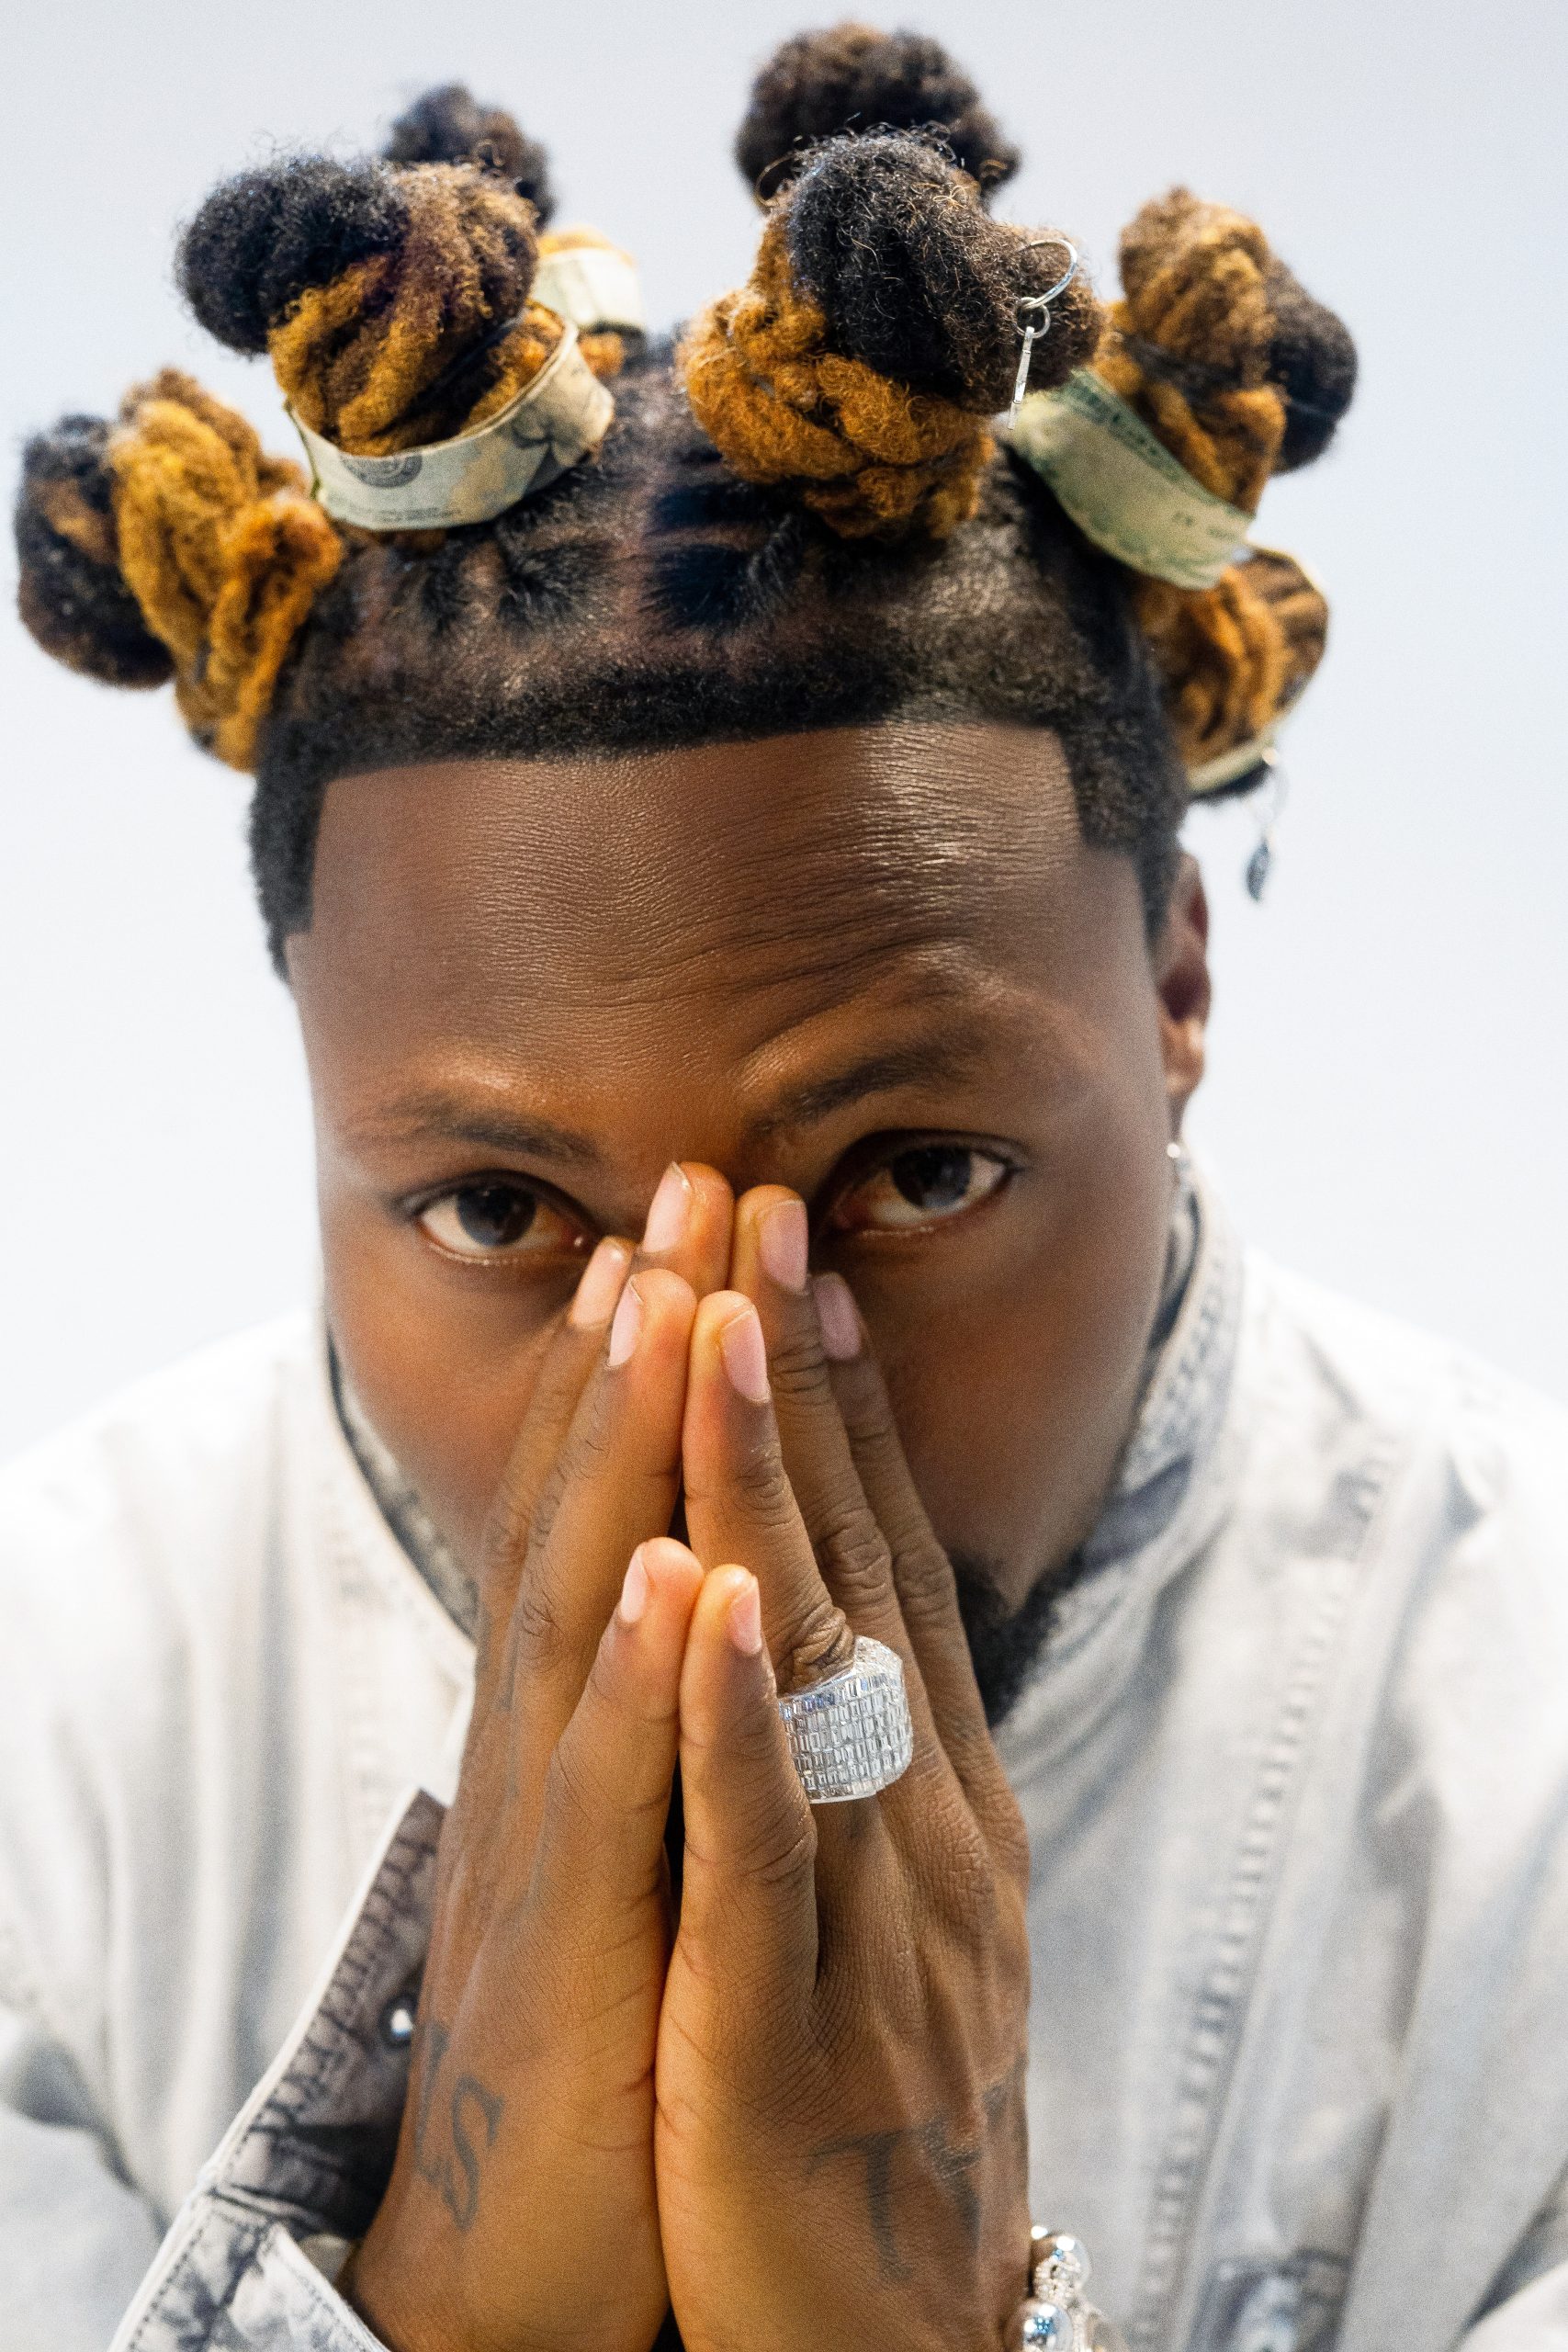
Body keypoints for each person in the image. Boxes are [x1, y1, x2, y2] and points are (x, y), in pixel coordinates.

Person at [6, 25, 1566, 2351]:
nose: (715, 1404)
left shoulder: (1524, 1766)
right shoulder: (48, 1729)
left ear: (1173, 986)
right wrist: (441, 2281)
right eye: (499, 1213)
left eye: (916, 1173)